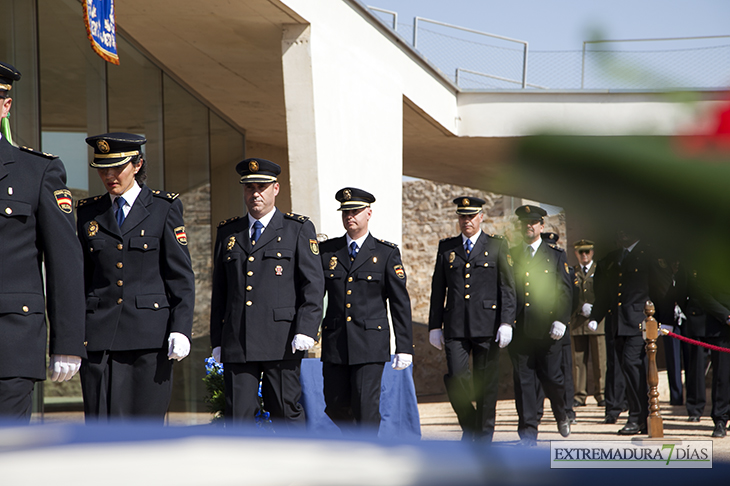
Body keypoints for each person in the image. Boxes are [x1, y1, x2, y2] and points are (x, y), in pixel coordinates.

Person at [76, 133, 195, 421]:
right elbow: (80, 280)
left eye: (117, 168)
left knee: (145, 431)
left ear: (138, 164)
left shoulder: (163, 208)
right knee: (101, 428)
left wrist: (181, 328)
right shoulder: (87, 214)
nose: (110, 176)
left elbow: (180, 276)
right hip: (100, 338)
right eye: (103, 169)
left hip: (149, 339)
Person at [210, 158, 324, 428]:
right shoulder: (229, 232)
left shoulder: (297, 229)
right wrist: (218, 338)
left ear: (276, 188)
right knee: (238, 416)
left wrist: (306, 328)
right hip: (238, 340)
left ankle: (294, 469)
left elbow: (313, 284)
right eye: (249, 188)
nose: (255, 194)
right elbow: (221, 291)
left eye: (261, 187)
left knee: (286, 412)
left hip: (282, 340)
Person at [0, 61, 86, 421]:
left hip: (10, 341)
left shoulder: (37, 171)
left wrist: (67, 341)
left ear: (5, 105)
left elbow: (64, 259)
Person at [319, 187, 413, 434]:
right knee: (335, 403)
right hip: (336, 342)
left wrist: (404, 346)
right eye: (346, 212)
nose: (350, 216)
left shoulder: (385, 253)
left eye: (356, 211)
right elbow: (314, 294)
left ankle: (366, 453)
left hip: (370, 343)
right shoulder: (328, 251)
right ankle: (355, 442)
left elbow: (399, 302)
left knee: (365, 406)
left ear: (369, 213)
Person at [427, 196, 516, 442]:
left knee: (486, 384)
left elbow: (507, 287)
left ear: (481, 217)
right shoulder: (447, 247)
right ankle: (471, 426)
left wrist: (506, 322)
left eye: (471, 216)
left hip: (487, 325)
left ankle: (484, 436)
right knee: (456, 378)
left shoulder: (497, 245)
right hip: (455, 326)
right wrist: (435, 325)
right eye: (462, 216)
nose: (466, 221)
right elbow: (438, 289)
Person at [588, 230, 672, 435]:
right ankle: (643, 416)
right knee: (628, 368)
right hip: (617, 323)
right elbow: (606, 292)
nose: (621, 233)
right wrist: (595, 316)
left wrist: (667, 321)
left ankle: (636, 416)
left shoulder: (649, 255)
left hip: (639, 323)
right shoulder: (613, 258)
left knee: (631, 363)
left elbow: (663, 289)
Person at [509, 205, 572, 445]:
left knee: (552, 378)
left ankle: (561, 411)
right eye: (525, 223)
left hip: (548, 331)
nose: (529, 226)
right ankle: (528, 434)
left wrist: (560, 319)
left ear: (541, 226)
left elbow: (565, 292)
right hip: (520, 331)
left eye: (533, 222)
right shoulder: (511, 255)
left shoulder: (555, 255)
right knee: (523, 383)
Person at [677, 266, 730, 437]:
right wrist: (726, 316)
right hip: (722, 325)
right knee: (722, 376)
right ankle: (721, 419)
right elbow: (704, 294)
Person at [569, 239, 607, 409]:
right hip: (578, 321)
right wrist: (580, 308)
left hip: (597, 321)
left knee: (600, 360)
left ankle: (602, 393)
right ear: (576, 253)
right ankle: (579, 395)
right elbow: (569, 295)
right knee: (578, 361)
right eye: (580, 252)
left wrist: (596, 310)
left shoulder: (600, 270)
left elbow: (604, 293)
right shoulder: (572, 272)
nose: (584, 255)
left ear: (592, 252)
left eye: (587, 252)